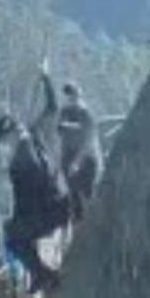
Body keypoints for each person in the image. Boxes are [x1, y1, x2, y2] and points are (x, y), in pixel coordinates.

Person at [0, 109, 70, 293]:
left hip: (50, 210)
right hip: (58, 203)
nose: (4, 146)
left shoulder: (22, 157)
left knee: (12, 234)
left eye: (4, 141)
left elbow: (32, 190)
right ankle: (40, 274)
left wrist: (21, 217)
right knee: (16, 228)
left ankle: (43, 275)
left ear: (11, 136)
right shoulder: (32, 140)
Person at [58, 82, 103, 220]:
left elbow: (88, 142)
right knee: (74, 200)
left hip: (87, 162)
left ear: (78, 97)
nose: (69, 100)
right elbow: (60, 135)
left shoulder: (86, 115)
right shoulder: (64, 113)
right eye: (67, 97)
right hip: (68, 159)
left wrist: (77, 162)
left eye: (72, 96)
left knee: (88, 198)